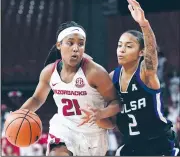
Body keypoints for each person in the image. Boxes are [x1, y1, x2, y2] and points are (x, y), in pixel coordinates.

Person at [13, 21, 121, 156]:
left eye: (81, 44)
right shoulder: (49, 72)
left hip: (92, 135)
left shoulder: (95, 72)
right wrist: (20, 114)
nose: (76, 48)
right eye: (70, 43)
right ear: (59, 45)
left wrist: (101, 114)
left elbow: (116, 102)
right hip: (64, 127)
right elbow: (37, 98)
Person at [109, 0, 180, 156]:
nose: (122, 49)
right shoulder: (112, 78)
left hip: (159, 145)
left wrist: (144, 24)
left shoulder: (146, 74)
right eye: (120, 45)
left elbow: (152, 54)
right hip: (132, 147)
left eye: (129, 46)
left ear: (141, 52)